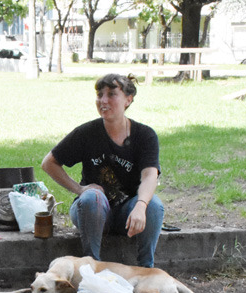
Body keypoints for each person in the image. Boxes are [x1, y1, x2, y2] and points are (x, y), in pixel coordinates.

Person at [41, 73, 165, 268]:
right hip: (92, 211)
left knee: (153, 206)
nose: (103, 100)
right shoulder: (87, 132)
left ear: (128, 100)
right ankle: (92, 267)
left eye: (112, 94)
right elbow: (49, 163)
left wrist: (140, 206)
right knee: (92, 197)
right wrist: (79, 189)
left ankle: (145, 269)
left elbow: (150, 175)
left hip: (128, 213)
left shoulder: (145, 135)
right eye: (100, 94)